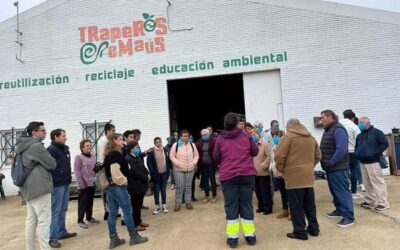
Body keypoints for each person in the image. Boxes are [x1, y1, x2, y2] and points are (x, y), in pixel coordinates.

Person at [213, 112, 259, 248]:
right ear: (236, 123)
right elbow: (255, 151)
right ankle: (250, 236)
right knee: (246, 204)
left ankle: (233, 239)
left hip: (229, 176)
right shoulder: (245, 135)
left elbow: (216, 157)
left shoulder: (220, 138)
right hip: (246, 174)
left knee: (231, 205)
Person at [275, 118, 321, 240]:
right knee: (310, 205)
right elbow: (318, 156)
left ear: (289, 126)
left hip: (293, 177)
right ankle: (314, 228)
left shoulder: (287, 137)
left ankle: (300, 232)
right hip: (308, 177)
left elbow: (279, 156)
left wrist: (282, 169)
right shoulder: (310, 137)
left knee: (296, 206)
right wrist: (309, 166)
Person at [103, 133, 148, 249]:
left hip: (111, 188)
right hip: (118, 187)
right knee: (128, 211)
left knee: (112, 213)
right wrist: (125, 181)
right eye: (120, 140)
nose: (123, 142)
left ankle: (114, 239)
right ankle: (134, 237)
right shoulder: (115, 155)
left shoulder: (109, 154)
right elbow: (116, 174)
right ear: (114, 141)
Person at [16, 121, 57, 250]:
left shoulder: (22, 146)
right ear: (34, 132)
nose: (45, 133)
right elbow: (52, 164)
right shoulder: (36, 146)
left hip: (28, 188)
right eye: (42, 131)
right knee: (44, 221)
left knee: (31, 221)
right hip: (40, 188)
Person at [320, 110, 354, 228]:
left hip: (338, 167)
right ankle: (339, 210)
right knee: (335, 192)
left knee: (342, 192)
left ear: (330, 117)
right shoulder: (329, 129)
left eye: (323, 117)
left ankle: (348, 217)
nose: (321, 120)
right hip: (331, 168)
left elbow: (341, 149)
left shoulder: (338, 129)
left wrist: (331, 162)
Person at [47, 129, 77, 248]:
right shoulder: (51, 150)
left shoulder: (64, 148)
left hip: (65, 182)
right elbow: (50, 167)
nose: (66, 138)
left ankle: (61, 232)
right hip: (57, 184)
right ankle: (52, 238)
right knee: (55, 211)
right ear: (56, 137)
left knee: (63, 209)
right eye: (63, 136)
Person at [354, 117, 389, 211]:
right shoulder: (360, 136)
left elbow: (384, 144)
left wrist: (374, 153)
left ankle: (383, 203)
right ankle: (370, 200)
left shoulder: (377, 132)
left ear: (368, 122)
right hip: (362, 162)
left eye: (361, 122)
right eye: (359, 123)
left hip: (373, 162)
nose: (359, 124)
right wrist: (357, 154)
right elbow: (357, 147)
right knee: (367, 183)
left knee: (377, 182)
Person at [169, 130, 199, 212]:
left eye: (187, 136)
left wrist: (194, 162)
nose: (185, 137)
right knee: (179, 187)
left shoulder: (192, 145)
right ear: (181, 136)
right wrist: (177, 163)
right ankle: (178, 203)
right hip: (178, 169)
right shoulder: (176, 145)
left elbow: (196, 155)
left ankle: (188, 202)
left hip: (190, 169)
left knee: (188, 186)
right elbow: (171, 155)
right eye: (184, 136)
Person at [73, 139, 99, 229]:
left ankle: (89, 217)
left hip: (91, 183)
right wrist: (80, 183)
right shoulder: (78, 157)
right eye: (87, 146)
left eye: (90, 145)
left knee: (90, 202)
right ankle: (80, 220)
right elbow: (76, 171)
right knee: (82, 203)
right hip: (83, 184)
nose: (89, 147)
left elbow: (94, 168)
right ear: (82, 148)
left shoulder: (93, 156)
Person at [125, 140, 150, 231]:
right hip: (134, 186)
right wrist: (145, 178)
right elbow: (134, 172)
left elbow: (143, 167)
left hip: (141, 185)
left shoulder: (137, 157)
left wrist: (148, 173)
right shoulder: (128, 158)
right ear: (131, 149)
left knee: (138, 205)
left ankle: (139, 221)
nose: (138, 149)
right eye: (136, 147)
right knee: (135, 206)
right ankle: (135, 224)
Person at [340, 110, 363, 199]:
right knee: (354, 171)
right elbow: (359, 140)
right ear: (353, 118)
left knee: (343, 172)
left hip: (341, 152)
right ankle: (353, 193)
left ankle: (344, 192)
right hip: (353, 151)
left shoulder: (338, 125)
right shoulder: (354, 127)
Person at [147, 137, 172, 214]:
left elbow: (168, 161)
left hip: (164, 174)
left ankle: (164, 205)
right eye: (157, 142)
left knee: (163, 190)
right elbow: (149, 163)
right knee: (156, 191)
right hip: (156, 175)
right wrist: (153, 172)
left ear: (161, 142)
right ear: (154, 143)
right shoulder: (151, 151)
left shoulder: (165, 150)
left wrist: (169, 170)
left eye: (159, 142)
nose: (158, 143)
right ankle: (157, 206)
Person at [251, 130, 273, 215]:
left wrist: (264, 165)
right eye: (251, 134)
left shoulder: (265, 144)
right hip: (254, 172)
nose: (253, 136)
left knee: (265, 191)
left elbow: (269, 156)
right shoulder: (252, 145)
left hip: (263, 172)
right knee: (258, 191)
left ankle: (268, 207)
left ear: (258, 135)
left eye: (254, 134)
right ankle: (261, 206)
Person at [98, 122, 116, 220]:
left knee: (111, 190)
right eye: (112, 131)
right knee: (106, 190)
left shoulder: (110, 140)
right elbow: (103, 155)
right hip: (104, 168)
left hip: (110, 167)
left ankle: (112, 210)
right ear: (107, 131)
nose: (114, 133)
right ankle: (107, 212)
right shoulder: (103, 140)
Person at [196, 129, 217, 204]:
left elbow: (216, 152)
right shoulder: (200, 141)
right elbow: (198, 152)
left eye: (206, 134)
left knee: (212, 179)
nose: (205, 136)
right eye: (203, 135)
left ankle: (214, 196)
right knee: (205, 180)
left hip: (211, 163)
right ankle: (206, 196)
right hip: (203, 164)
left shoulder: (213, 141)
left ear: (209, 134)